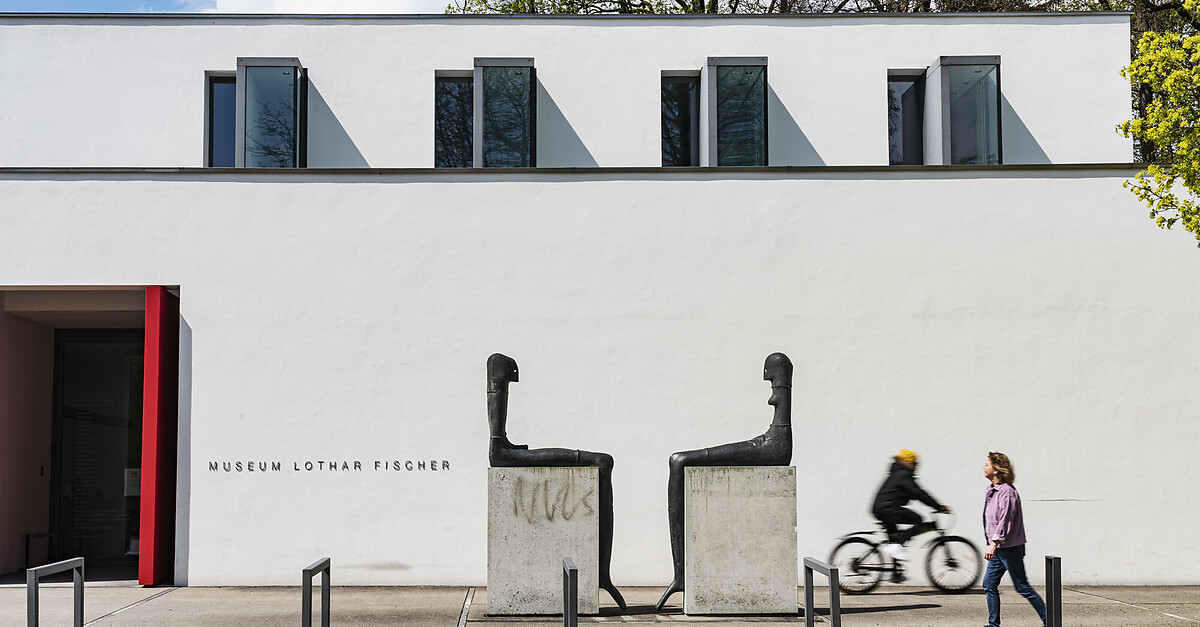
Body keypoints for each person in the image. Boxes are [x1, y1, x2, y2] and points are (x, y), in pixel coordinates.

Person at [983, 451, 1046, 627]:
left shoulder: (1007, 492)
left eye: (987, 465)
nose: (983, 467)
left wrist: (993, 544)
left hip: (1010, 548)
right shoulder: (992, 491)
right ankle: (993, 625)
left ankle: (1050, 620)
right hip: (999, 549)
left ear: (996, 469)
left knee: (1022, 587)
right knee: (989, 584)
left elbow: (1006, 520)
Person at [871, 449, 950, 567]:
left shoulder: (897, 473)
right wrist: (938, 506)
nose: (917, 466)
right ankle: (897, 545)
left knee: (894, 537)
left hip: (882, 509)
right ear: (910, 463)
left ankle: (895, 571)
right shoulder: (903, 475)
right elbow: (919, 494)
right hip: (888, 509)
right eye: (915, 463)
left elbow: (913, 494)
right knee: (918, 520)